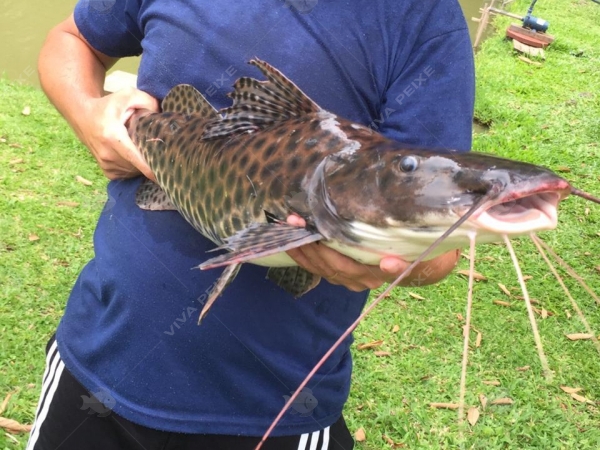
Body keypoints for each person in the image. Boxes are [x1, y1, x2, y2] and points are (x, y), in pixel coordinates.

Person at [30, 0, 474, 449]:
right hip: (97, 358)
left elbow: (439, 233)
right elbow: (71, 41)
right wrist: (89, 115)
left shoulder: (423, 16)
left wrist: (392, 257)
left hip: (273, 411)